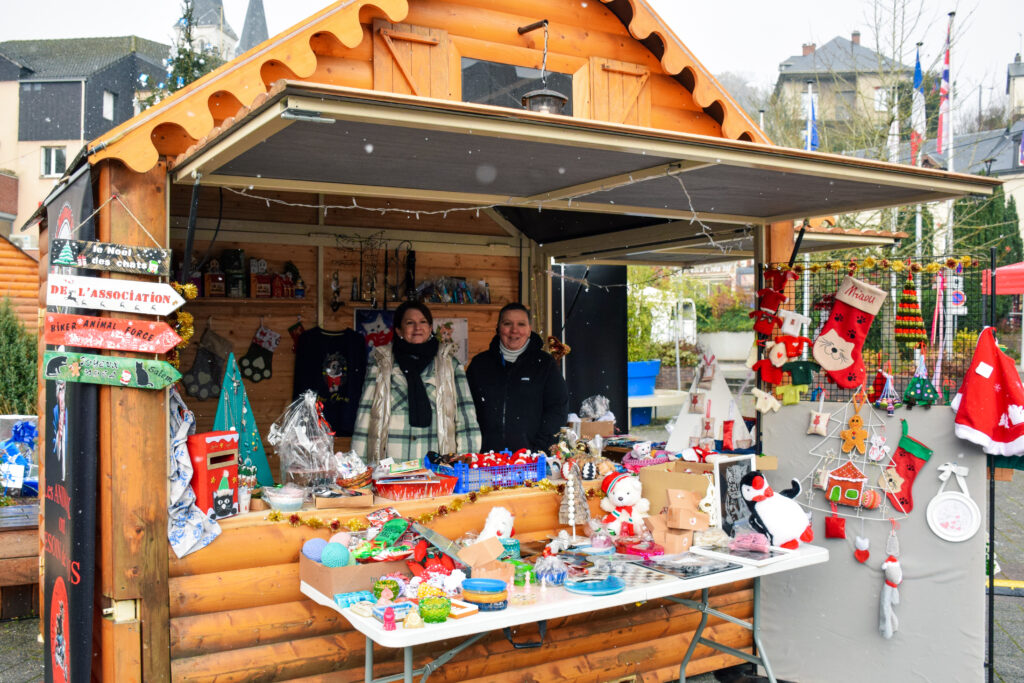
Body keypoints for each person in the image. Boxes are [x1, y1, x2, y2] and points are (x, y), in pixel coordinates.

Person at [351, 302, 481, 463]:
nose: (417, 327)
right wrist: (358, 463)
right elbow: (365, 415)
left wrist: (466, 460)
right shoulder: (381, 364)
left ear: (430, 327)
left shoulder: (450, 364)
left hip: (437, 468)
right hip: (391, 467)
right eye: (410, 323)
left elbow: (465, 415)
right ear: (398, 330)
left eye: (423, 322)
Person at [467, 303, 569, 452]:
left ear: (529, 330)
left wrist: (539, 448)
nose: (514, 330)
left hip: (531, 460)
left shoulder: (545, 364)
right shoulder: (479, 365)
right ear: (498, 328)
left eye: (521, 324)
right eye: (507, 323)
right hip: (485, 459)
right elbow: (466, 411)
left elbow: (557, 409)